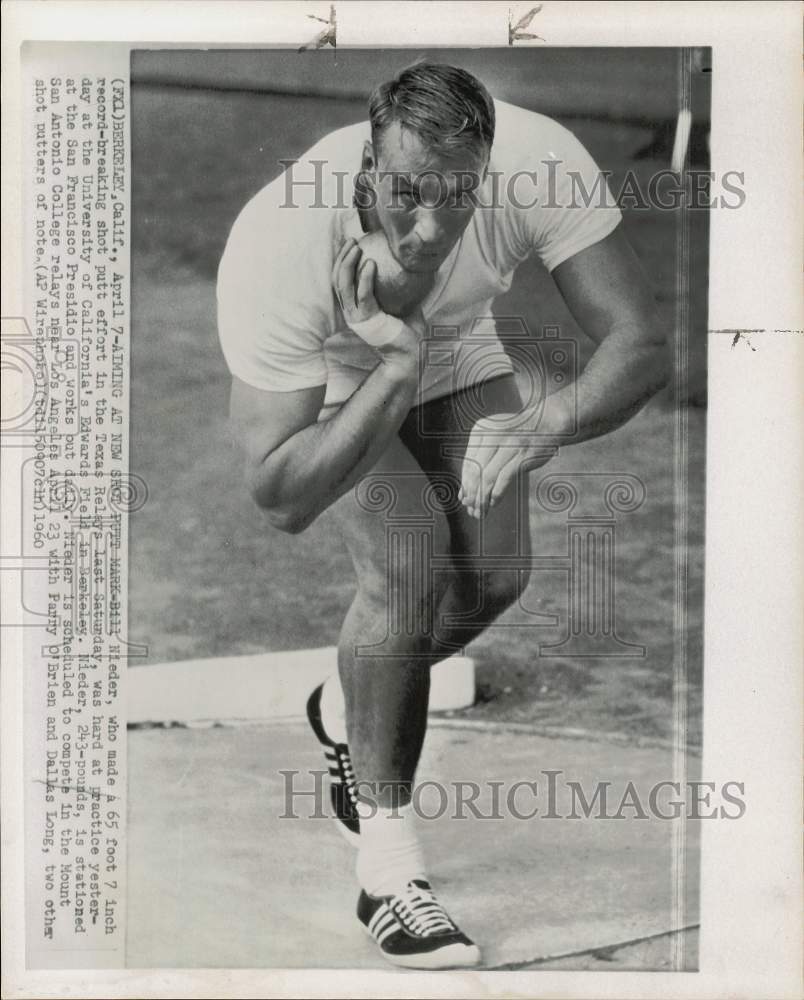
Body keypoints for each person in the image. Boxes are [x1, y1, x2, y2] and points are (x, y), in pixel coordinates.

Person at [217, 62, 667, 969]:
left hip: (460, 350)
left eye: (456, 197)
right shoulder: (283, 241)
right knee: (409, 568)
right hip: (346, 374)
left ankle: (347, 702)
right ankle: (387, 874)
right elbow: (279, 496)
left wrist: (552, 419)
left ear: (490, 172)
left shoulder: (540, 160)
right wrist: (388, 367)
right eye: (405, 193)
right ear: (368, 162)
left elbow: (640, 341)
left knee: (496, 578)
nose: (427, 228)